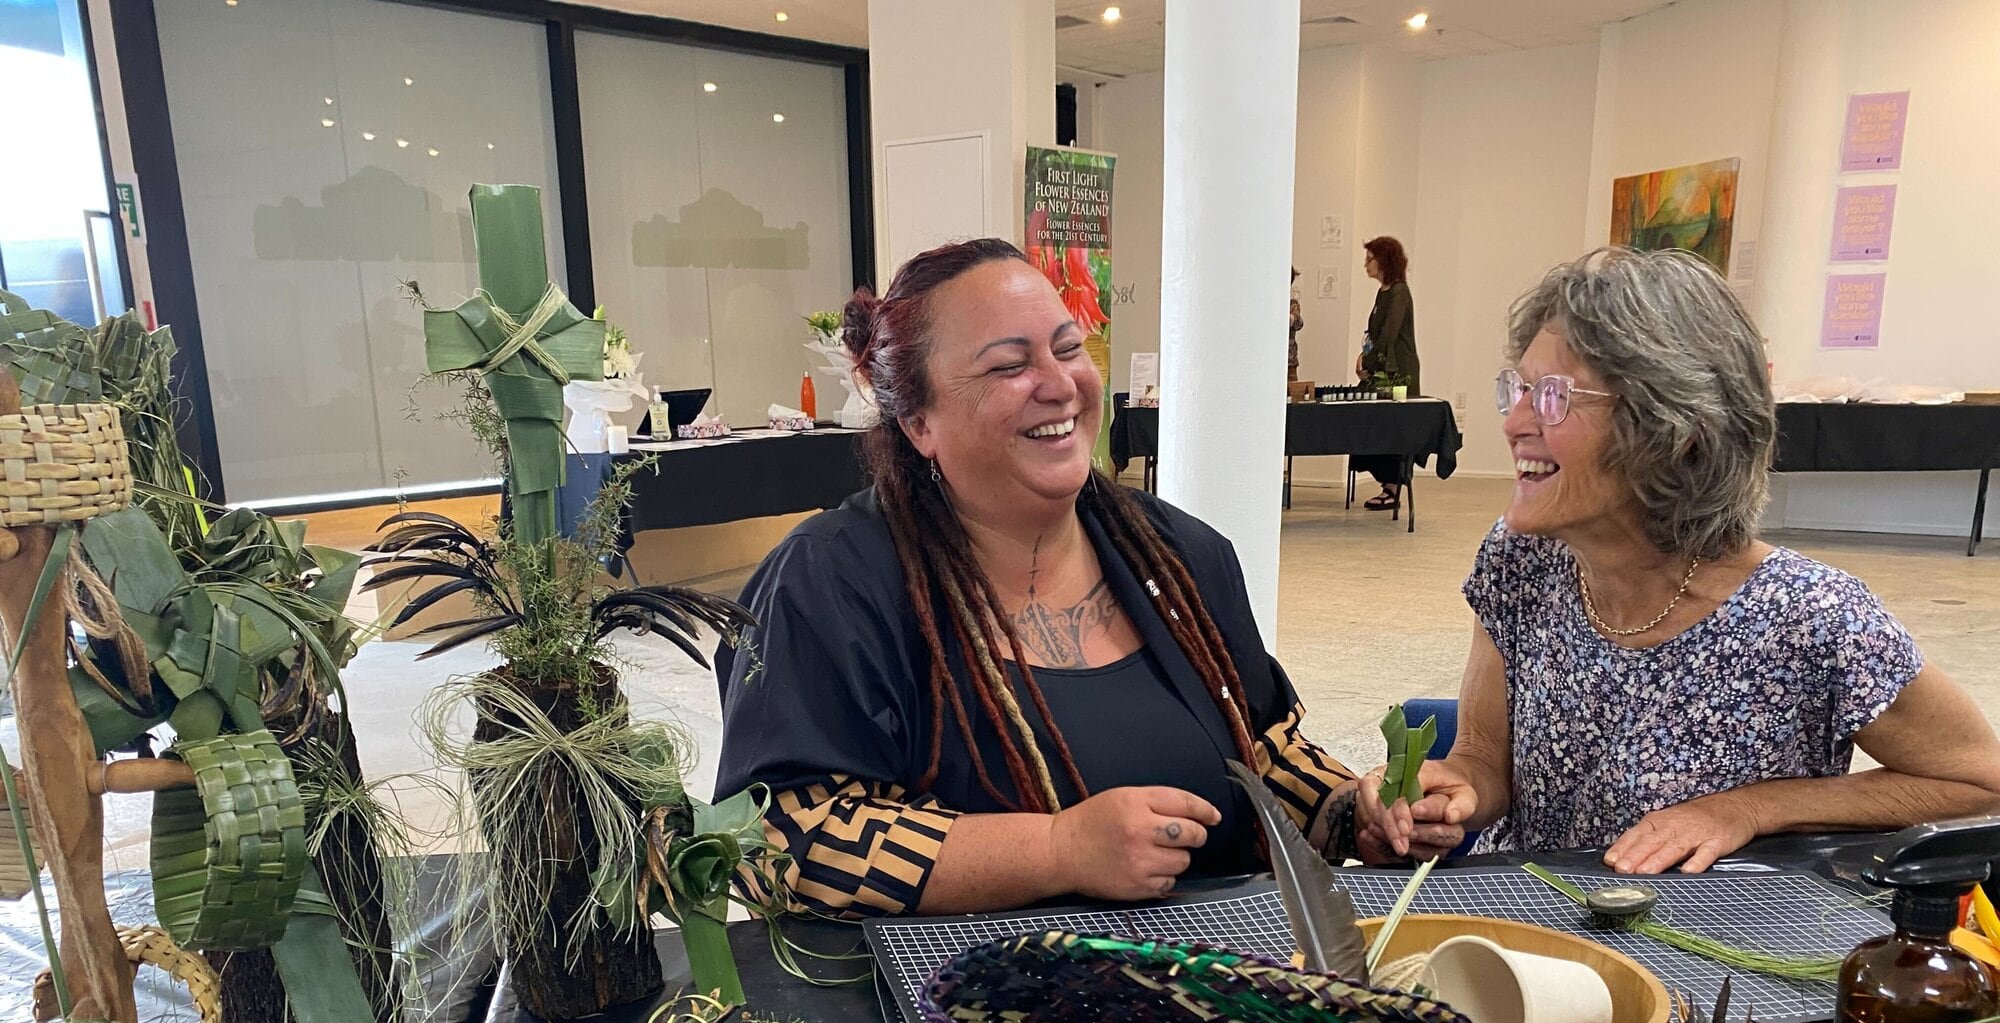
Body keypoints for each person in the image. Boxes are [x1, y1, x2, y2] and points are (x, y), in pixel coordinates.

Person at [715, 239, 1362, 916]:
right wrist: (1058, 850)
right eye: (1009, 366)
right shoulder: (829, 583)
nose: (1060, 384)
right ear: (917, 420)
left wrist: (1354, 810)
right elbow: (781, 843)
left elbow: (1264, 747)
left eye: (1069, 348)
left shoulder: (1177, 556)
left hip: (1221, 990)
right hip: (961, 1006)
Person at [1361, 247, 2000, 874]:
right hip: (1541, 936)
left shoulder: (1811, 616)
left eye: (1552, 395)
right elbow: (1482, 758)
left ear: (1673, 426)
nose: (1514, 422)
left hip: (1717, 957)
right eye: (1519, 390)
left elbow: (1981, 783)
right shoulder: (1523, 559)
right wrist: (1457, 792)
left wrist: (1749, 810)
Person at [1352, 235, 1420, 511]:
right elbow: (1375, 334)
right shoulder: (1384, 292)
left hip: (1396, 373)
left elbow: (1389, 336)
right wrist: (1364, 357)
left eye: (1370, 259)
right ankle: (1388, 485)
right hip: (1379, 368)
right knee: (1366, 421)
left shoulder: (1399, 293)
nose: (1366, 264)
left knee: (1390, 427)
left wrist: (1367, 362)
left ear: (1384, 260)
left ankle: (1393, 488)